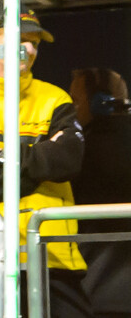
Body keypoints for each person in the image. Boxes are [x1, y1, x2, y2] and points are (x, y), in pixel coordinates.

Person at [0, 6, 90, 318]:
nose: (30, 48)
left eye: (35, 41)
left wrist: (0, 158)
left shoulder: (57, 98)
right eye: (21, 38)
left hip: (53, 257)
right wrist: (38, 165)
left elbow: (67, 161)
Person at [70, 67, 131, 315]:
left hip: (97, 288)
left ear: (98, 103)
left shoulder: (82, 151)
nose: (71, 109)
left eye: (74, 100)